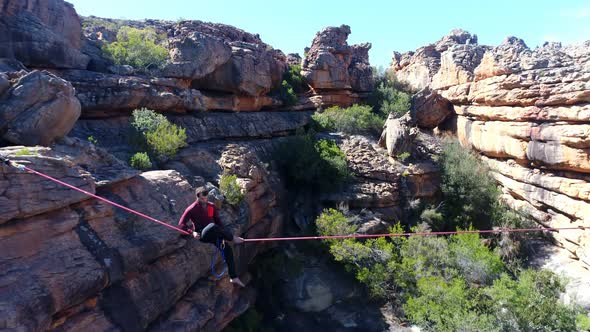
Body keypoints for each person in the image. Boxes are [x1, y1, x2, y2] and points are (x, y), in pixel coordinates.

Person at [178, 186, 246, 287]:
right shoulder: (192, 209)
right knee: (212, 226)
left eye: (206, 198)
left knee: (228, 250)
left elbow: (218, 222)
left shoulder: (211, 206)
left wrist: (222, 236)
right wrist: (192, 232)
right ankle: (233, 238)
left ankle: (234, 277)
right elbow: (181, 224)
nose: (204, 200)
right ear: (197, 197)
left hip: (213, 233)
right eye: (202, 199)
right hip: (202, 234)